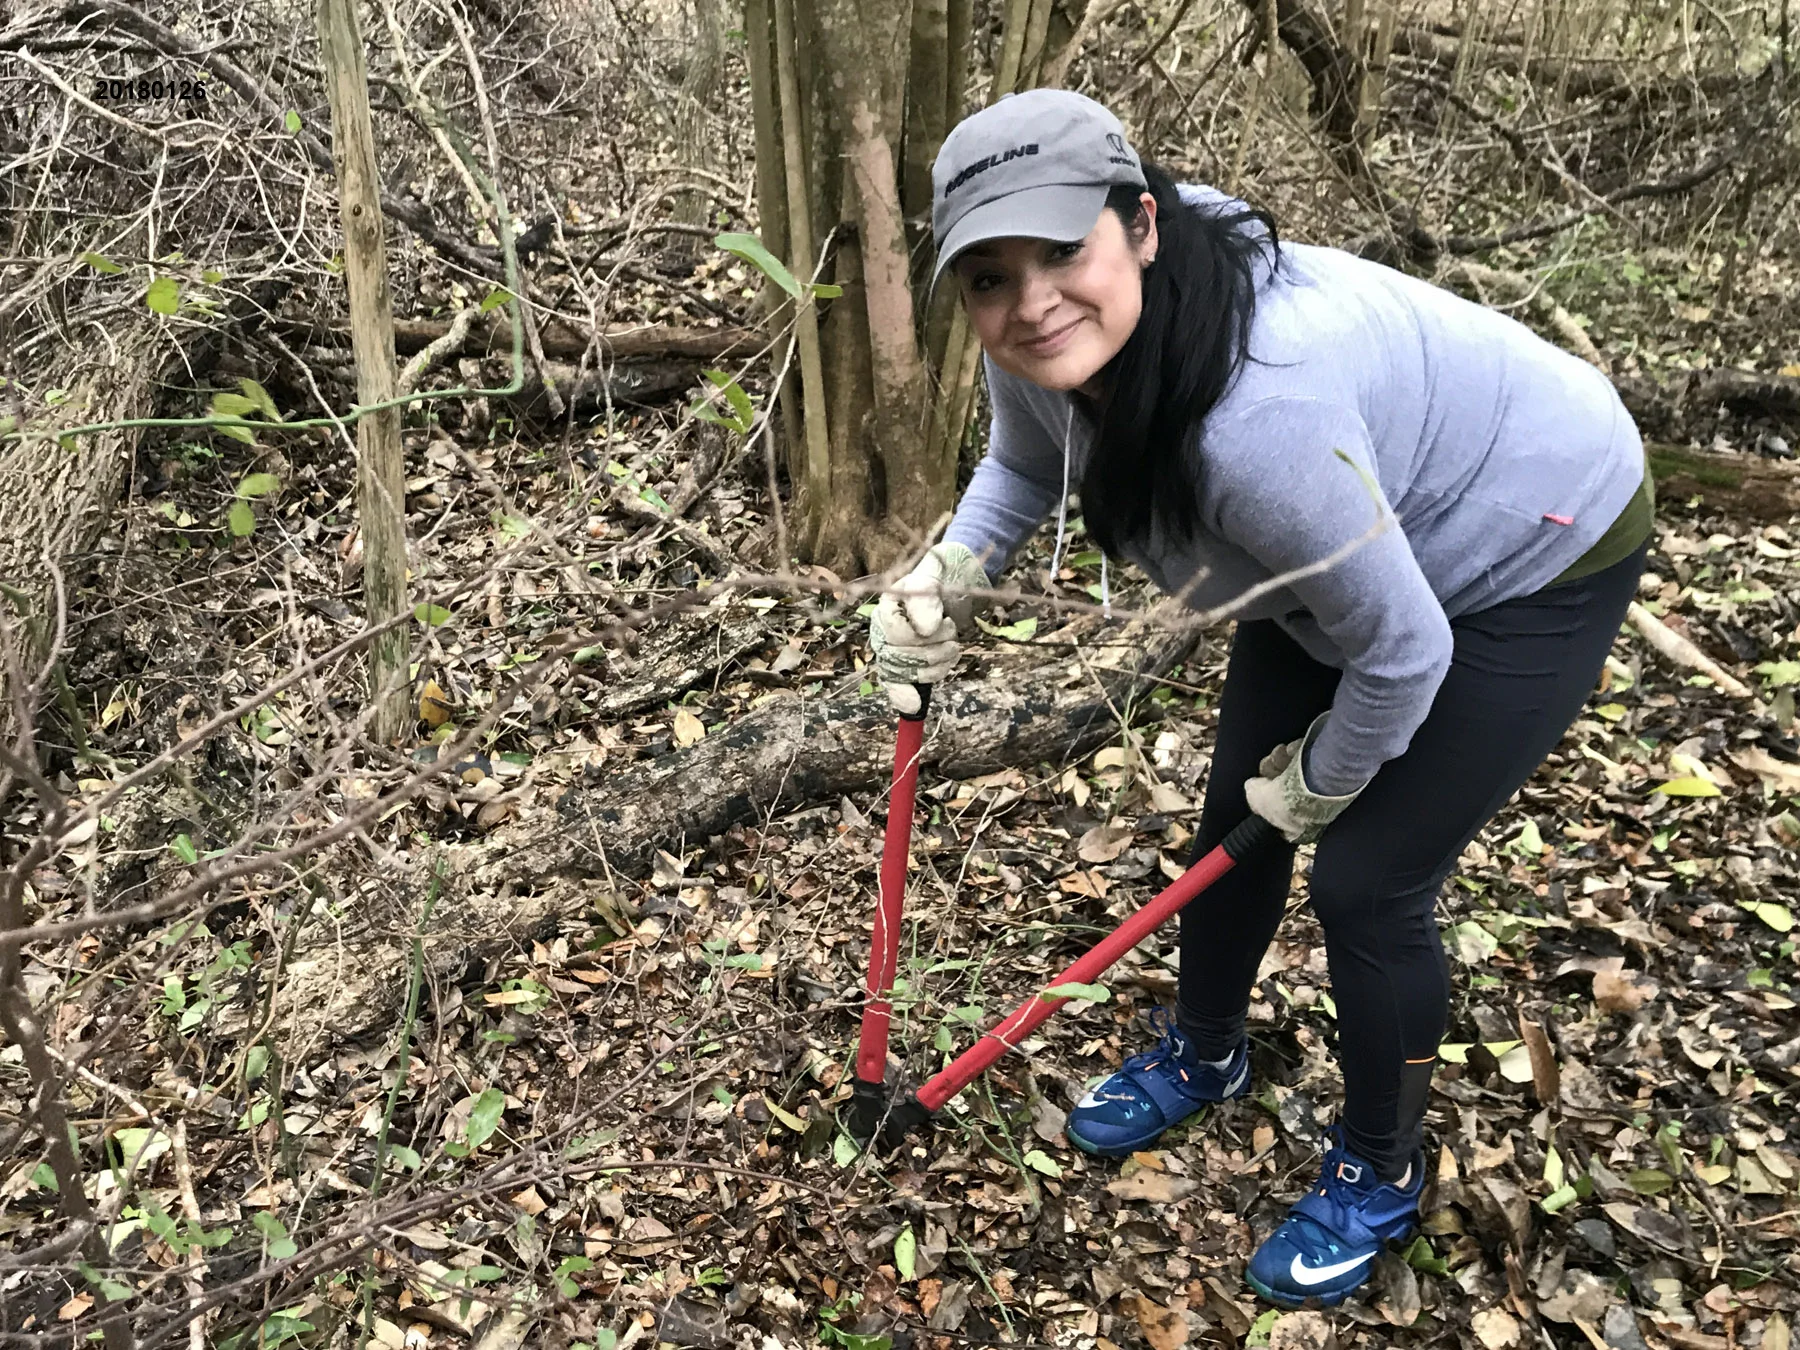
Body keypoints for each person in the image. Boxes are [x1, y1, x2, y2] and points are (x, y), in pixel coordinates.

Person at [867, 88, 1652, 1309]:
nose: (1030, 302)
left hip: (1535, 540)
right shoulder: (1047, 347)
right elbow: (1025, 461)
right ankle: (1206, 1053)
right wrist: (951, 573)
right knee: (1235, 820)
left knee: (1366, 882)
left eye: (1062, 252)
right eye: (988, 277)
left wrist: (1325, 781)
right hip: (1344, 561)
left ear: (1141, 223)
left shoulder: (1261, 418)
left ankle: (1382, 1169)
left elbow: (1404, 651)